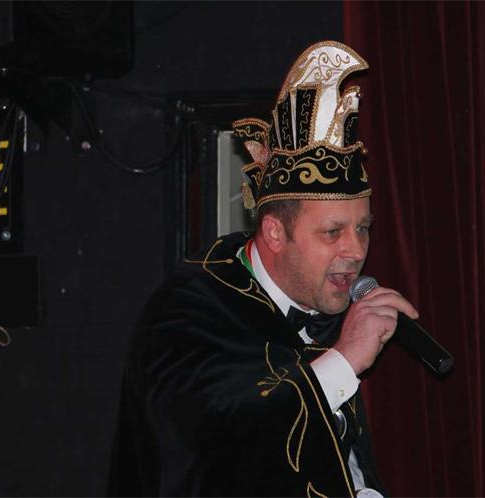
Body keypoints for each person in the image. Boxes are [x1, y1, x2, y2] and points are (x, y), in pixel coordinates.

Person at [108, 40, 418, 498]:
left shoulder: (330, 311)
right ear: (274, 232)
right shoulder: (187, 311)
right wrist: (344, 360)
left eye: (363, 228)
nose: (356, 250)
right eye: (332, 232)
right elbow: (217, 449)